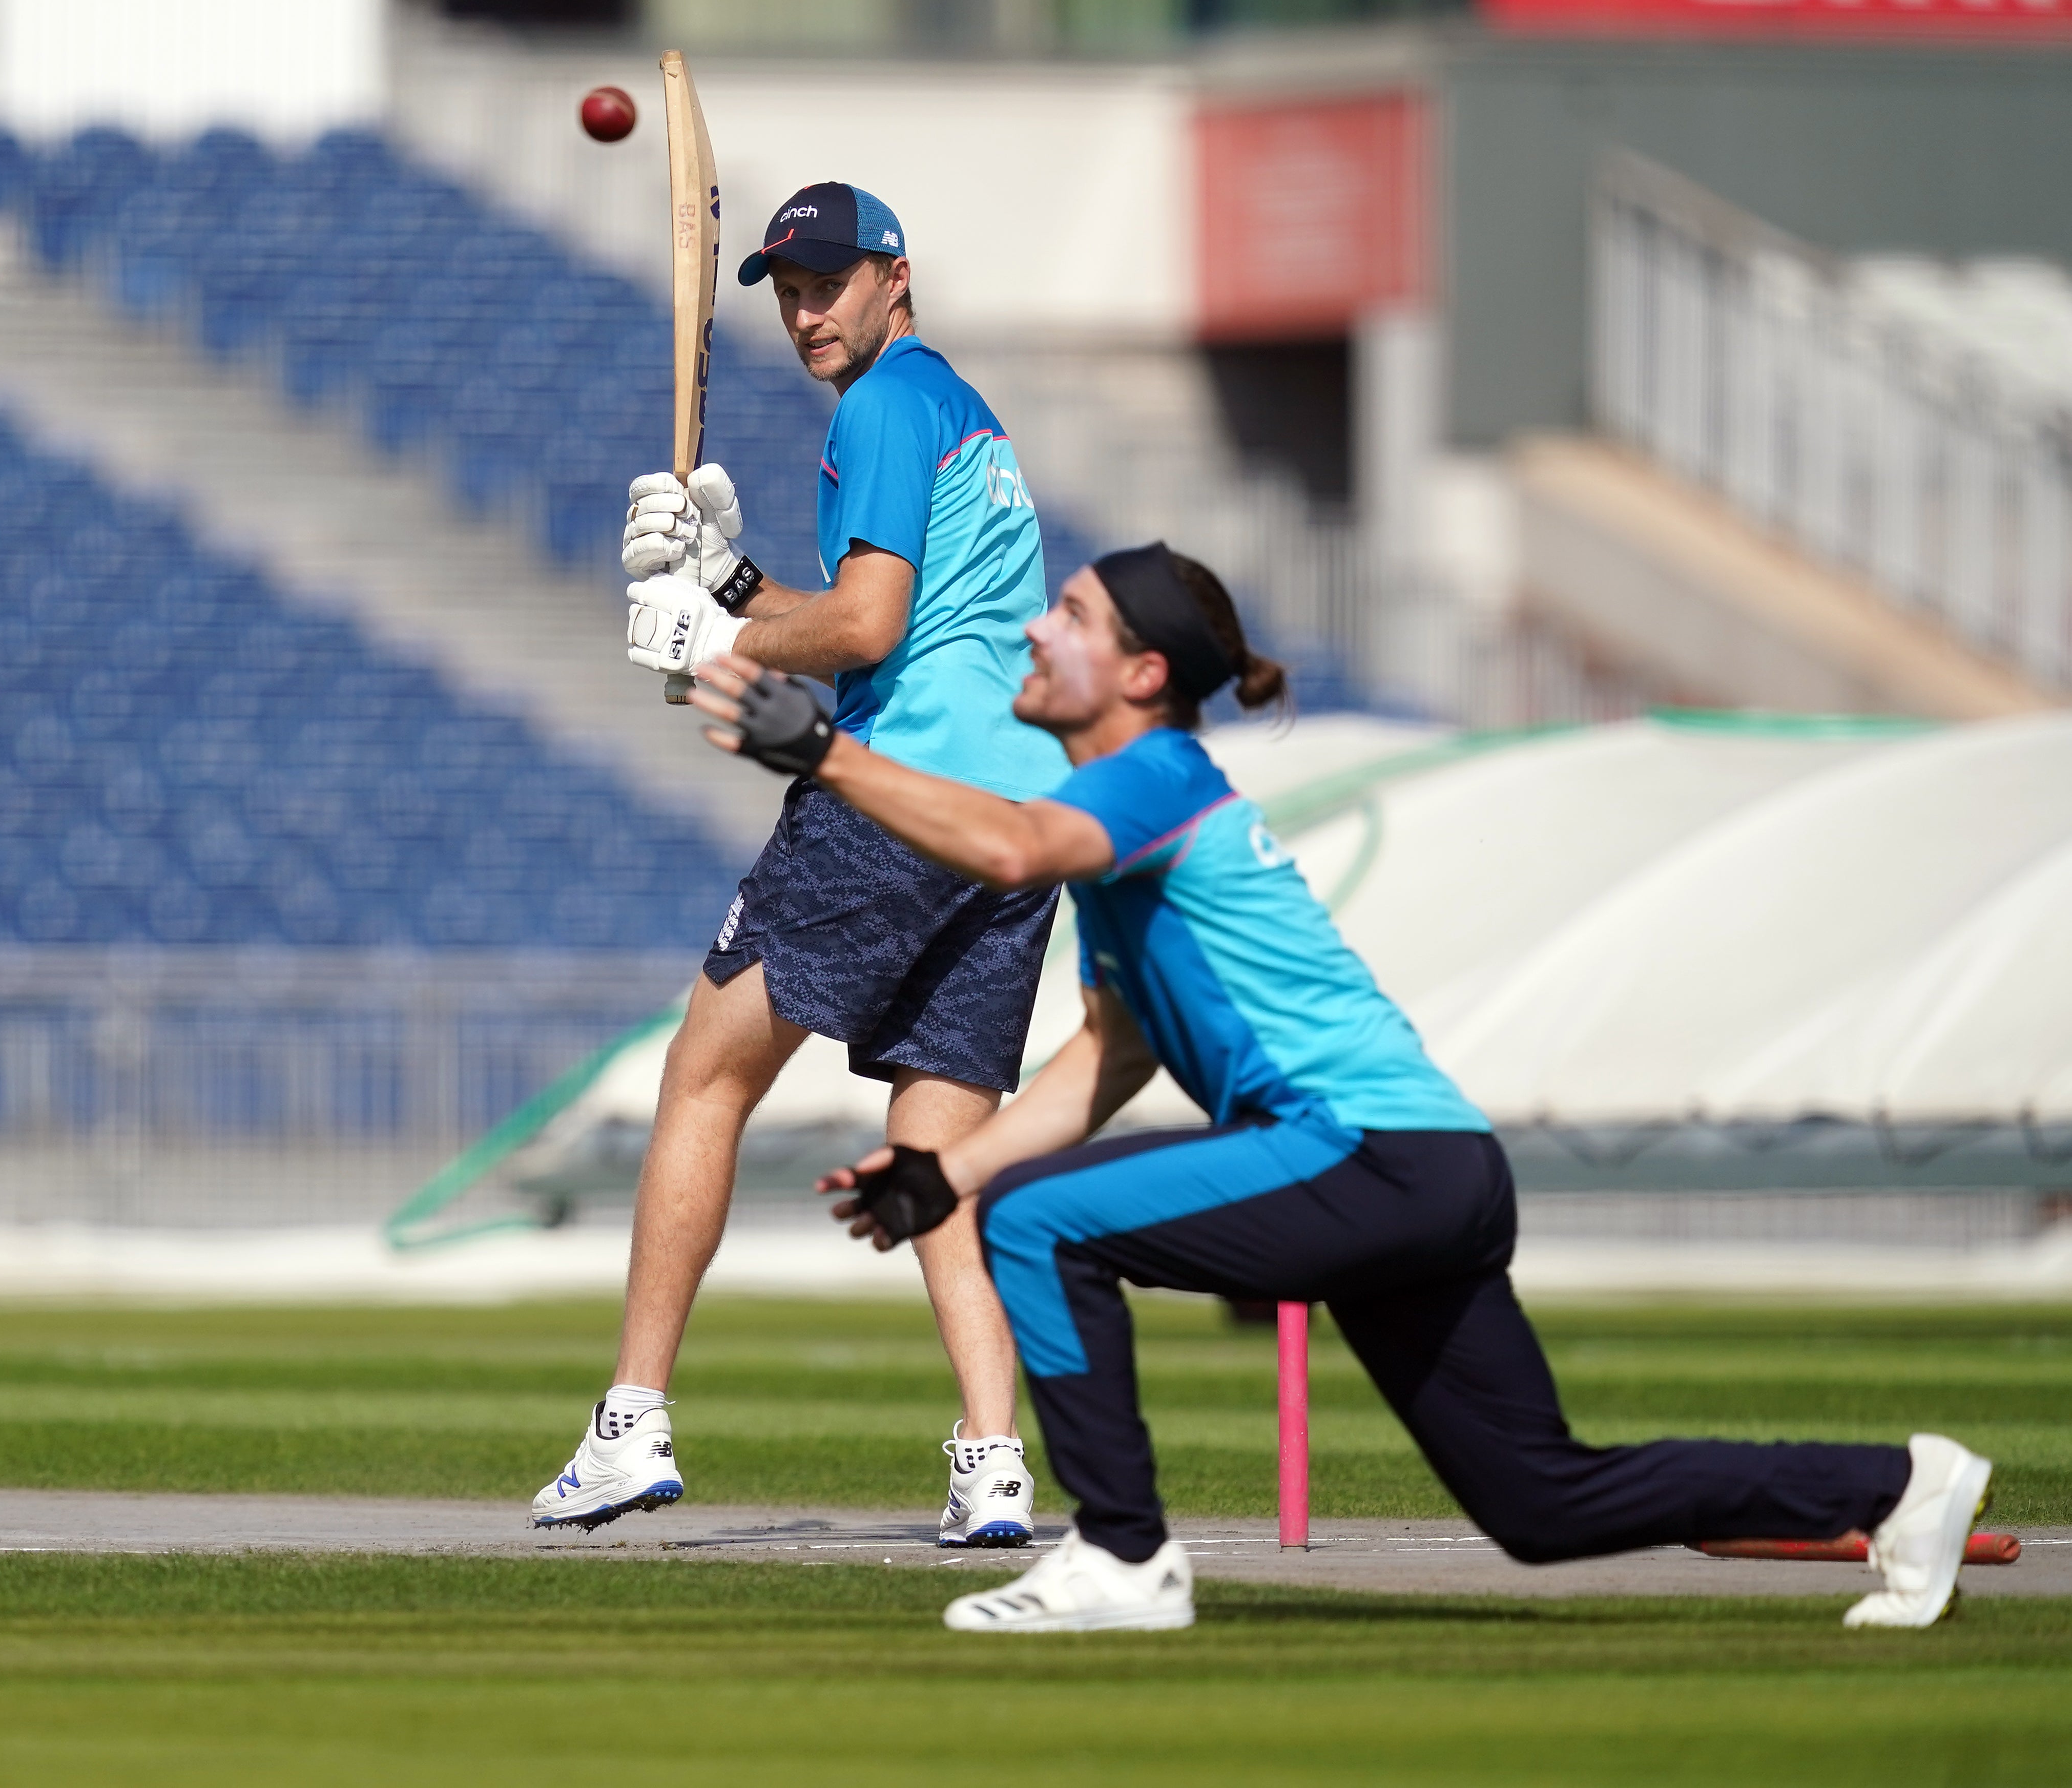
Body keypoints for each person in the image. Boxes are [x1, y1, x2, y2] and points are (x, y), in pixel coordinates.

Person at [686, 542, 1995, 1634]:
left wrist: (831, 756)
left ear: (1142, 674)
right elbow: (1111, 1056)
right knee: (1542, 1503)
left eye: (1070, 614)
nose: (1036, 627)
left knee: (1037, 1221)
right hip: (1430, 1165)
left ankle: (1128, 1558)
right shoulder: (1129, 807)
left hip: (1371, 1152)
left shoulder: (1147, 777)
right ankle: (1905, 1484)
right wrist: (941, 1170)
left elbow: (1017, 847)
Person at [534, 184, 1066, 1546]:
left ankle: (631, 1419)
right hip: (1013, 819)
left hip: (899, 792)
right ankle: (992, 1460)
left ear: (895, 278)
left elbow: (864, 629)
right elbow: (883, 612)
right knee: (932, 1150)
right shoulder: (957, 410)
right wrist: (723, 581)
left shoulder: (882, 405)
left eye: (828, 281)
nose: (803, 308)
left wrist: (704, 636)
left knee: (703, 1072)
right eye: (784, 285)